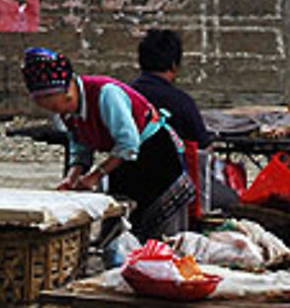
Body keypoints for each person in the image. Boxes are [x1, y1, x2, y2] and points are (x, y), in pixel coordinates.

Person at [21, 46, 195, 239]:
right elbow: (80, 143)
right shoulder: (67, 111)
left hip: (156, 157)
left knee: (160, 233)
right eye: (50, 107)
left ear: (70, 87)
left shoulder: (106, 93)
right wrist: (73, 176)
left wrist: (95, 176)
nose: (60, 111)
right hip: (126, 162)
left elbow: (128, 143)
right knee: (121, 227)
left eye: (60, 103)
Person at [133, 28, 212, 147]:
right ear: (174, 65)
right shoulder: (182, 102)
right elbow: (203, 146)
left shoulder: (123, 96)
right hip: (171, 165)